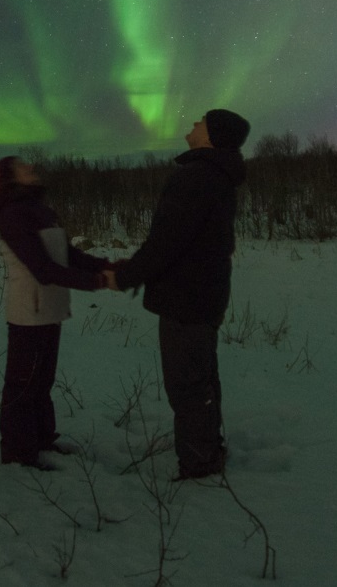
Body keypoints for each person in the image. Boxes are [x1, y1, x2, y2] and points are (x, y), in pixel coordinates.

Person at [108, 108, 249, 480]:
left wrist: (126, 275)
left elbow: (166, 242)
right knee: (201, 378)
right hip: (204, 293)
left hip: (187, 298)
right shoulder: (216, 176)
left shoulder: (197, 177)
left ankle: (199, 464)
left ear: (213, 136)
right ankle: (207, 449)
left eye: (200, 123)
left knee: (187, 385)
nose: (192, 126)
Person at [0, 155, 111, 470]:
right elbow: (42, 268)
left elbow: (68, 255)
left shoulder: (40, 211)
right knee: (22, 385)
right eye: (23, 167)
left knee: (41, 381)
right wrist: (96, 281)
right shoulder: (12, 214)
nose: (31, 167)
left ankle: (42, 439)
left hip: (49, 308)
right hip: (29, 310)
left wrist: (105, 266)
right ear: (9, 177)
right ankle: (17, 454)